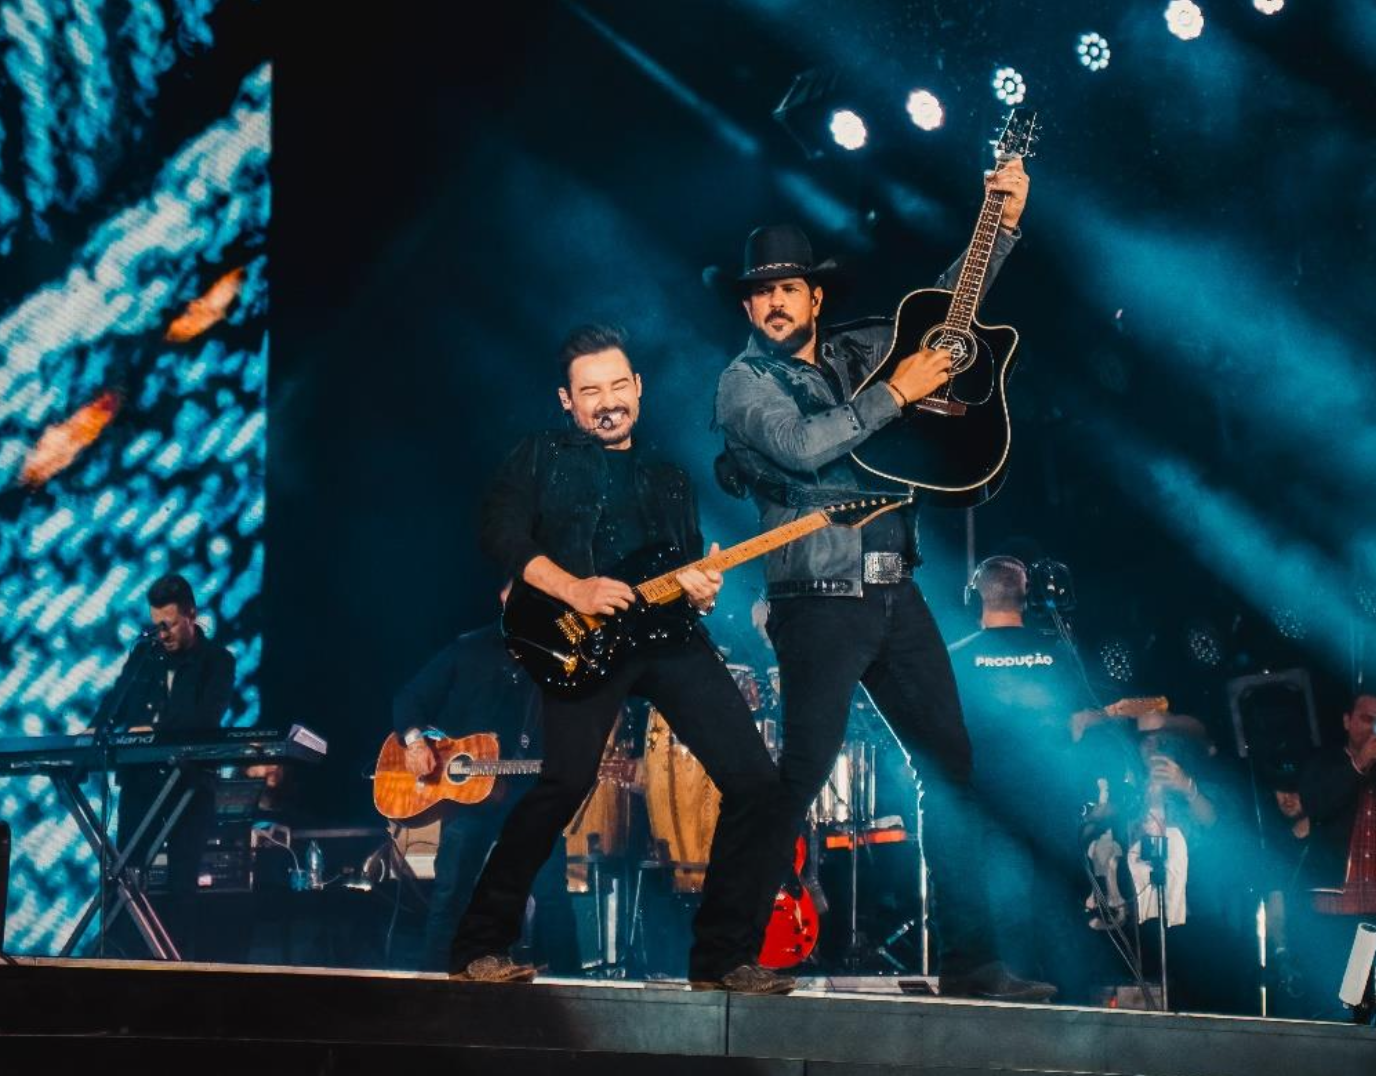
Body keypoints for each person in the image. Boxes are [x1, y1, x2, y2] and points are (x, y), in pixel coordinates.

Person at [713, 161, 1054, 1000]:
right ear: (748, 308)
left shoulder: (864, 346)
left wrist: (997, 226)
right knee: (798, 775)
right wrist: (895, 395)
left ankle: (972, 961)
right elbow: (802, 447)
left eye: (789, 287)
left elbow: (947, 310)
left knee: (953, 769)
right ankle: (728, 952)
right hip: (816, 598)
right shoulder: (744, 382)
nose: (776, 303)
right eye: (761, 294)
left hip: (896, 587)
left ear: (815, 296)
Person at [447, 324, 794, 993]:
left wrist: (700, 589)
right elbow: (498, 530)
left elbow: (684, 567)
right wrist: (572, 587)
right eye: (590, 391)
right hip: (580, 642)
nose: (606, 401)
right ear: (566, 401)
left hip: (666, 639)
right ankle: (477, 946)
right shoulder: (541, 455)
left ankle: (722, 960)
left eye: (617, 386)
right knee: (562, 787)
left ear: (638, 387)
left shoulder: (668, 474)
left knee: (758, 783)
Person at [393, 592, 577, 973]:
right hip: (467, 796)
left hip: (527, 794)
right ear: (505, 596)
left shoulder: (557, 659)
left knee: (551, 895)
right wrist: (414, 741)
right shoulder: (468, 649)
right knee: (451, 895)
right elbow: (410, 698)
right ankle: (435, 987)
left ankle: (577, 994)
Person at [947, 555, 1099, 999]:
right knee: (1057, 908)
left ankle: (1007, 1007)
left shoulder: (956, 658)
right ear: (1025, 594)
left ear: (976, 592)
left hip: (985, 805)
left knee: (1000, 906)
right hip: (1048, 803)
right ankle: (1070, 1010)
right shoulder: (1055, 653)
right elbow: (1075, 727)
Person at [94, 572, 236, 956]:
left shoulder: (218, 662)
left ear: (191, 614)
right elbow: (117, 700)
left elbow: (204, 719)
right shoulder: (145, 656)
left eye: (169, 624)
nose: (162, 634)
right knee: (122, 875)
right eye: (156, 625)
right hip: (142, 783)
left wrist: (153, 730)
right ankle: (117, 964)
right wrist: (95, 730)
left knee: (182, 886)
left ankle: (176, 969)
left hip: (189, 787)